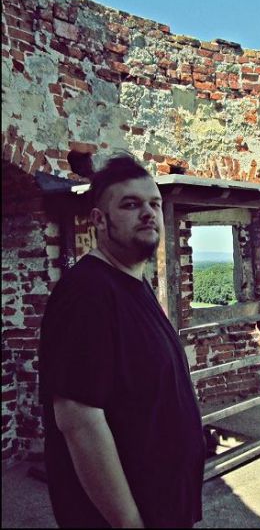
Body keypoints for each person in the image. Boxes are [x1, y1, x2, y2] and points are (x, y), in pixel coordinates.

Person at [39, 152, 206, 528]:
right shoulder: (87, 293)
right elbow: (80, 420)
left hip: (162, 507)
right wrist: (129, 522)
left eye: (154, 204)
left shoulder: (133, 283)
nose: (147, 213)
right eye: (130, 204)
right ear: (99, 220)